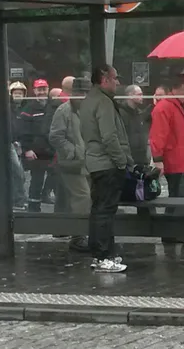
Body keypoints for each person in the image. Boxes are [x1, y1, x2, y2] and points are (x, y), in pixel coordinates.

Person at [80, 66, 133, 273]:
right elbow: (109, 136)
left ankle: (101, 254)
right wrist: (122, 161)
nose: (117, 83)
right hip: (107, 164)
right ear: (104, 79)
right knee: (105, 212)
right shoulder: (103, 102)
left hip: (94, 163)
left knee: (98, 210)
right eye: (114, 78)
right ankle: (103, 256)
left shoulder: (88, 101)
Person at [150, 74, 184, 243]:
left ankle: (170, 234)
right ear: (182, 87)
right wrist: (158, 158)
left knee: (175, 197)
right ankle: (182, 233)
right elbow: (158, 135)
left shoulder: (182, 106)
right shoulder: (166, 107)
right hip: (174, 160)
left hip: (181, 159)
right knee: (180, 197)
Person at [49, 77, 91, 252]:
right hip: (71, 163)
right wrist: (73, 151)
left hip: (89, 162)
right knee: (83, 197)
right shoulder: (63, 110)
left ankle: (79, 232)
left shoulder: (90, 109)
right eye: (81, 93)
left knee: (79, 198)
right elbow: (55, 136)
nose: (84, 96)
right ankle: (78, 236)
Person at [20, 78, 57, 212]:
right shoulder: (28, 108)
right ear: (34, 91)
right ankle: (33, 208)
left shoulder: (53, 106)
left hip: (52, 149)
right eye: (39, 89)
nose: (42, 92)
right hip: (36, 151)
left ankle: (46, 195)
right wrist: (27, 149)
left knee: (56, 176)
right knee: (36, 181)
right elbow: (23, 131)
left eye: (44, 89)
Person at [118, 85, 151, 166]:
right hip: (127, 157)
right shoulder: (121, 114)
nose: (142, 97)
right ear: (130, 95)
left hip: (141, 158)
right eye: (139, 94)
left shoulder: (139, 114)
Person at [8, 81, 28, 210]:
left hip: (21, 144)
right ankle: (18, 200)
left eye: (20, 93)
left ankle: (18, 198)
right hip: (10, 143)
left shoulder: (27, 109)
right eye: (15, 93)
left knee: (20, 173)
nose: (18, 96)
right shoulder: (8, 107)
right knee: (17, 172)